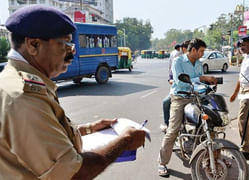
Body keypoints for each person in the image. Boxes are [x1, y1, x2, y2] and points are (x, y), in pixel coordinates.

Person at [0, 5, 145, 179]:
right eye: (66, 44)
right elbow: (73, 173)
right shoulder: (23, 97)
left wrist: (89, 128)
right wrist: (124, 142)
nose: (72, 53)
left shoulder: (20, 82)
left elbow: (46, 134)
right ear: (33, 44)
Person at [158, 38, 217, 177]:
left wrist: (209, 86)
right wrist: (202, 79)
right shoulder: (178, 61)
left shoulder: (199, 63)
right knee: (172, 131)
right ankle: (162, 163)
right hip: (180, 97)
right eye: (201, 51)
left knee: (209, 124)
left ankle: (213, 158)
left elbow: (198, 81)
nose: (203, 54)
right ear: (193, 50)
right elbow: (179, 82)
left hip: (195, 97)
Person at [161, 40, 190, 133]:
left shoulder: (196, 62)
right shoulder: (177, 59)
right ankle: (167, 124)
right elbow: (171, 77)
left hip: (193, 92)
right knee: (166, 102)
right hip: (179, 92)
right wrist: (173, 81)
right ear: (184, 49)